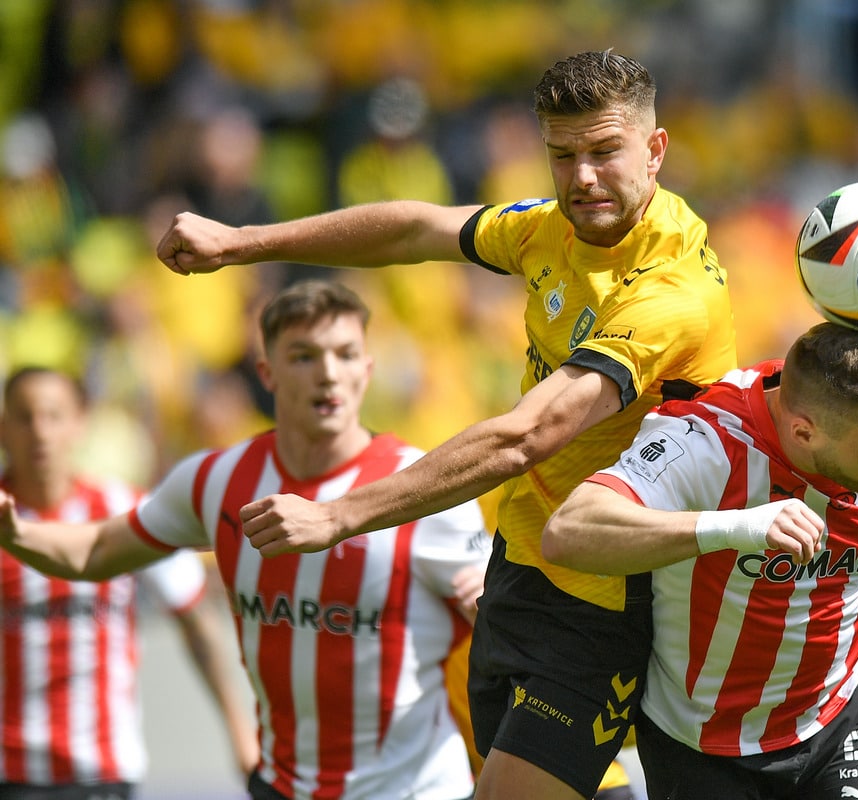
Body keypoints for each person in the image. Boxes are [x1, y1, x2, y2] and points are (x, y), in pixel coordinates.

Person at [155, 49, 738, 800]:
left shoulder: (670, 292)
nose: (583, 178)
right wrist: (242, 242)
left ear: (655, 150)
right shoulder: (550, 229)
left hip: (615, 593)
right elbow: (413, 231)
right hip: (523, 562)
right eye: (563, 156)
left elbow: (525, 436)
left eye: (604, 152)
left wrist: (339, 515)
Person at [0, 280, 493, 800]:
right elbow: (96, 550)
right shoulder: (218, 481)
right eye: (304, 356)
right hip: (281, 787)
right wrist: (17, 532)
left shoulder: (423, 490)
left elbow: (504, 624)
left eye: (346, 354)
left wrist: (490, 613)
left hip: (414, 791)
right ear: (266, 373)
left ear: (367, 370)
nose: (329, 373)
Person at [542, 322, 858, 800]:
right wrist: (732, 528)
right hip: (705, 740)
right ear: (804, 433)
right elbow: (567, 532)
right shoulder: (707, 445)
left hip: (839, 711)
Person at [0, 365, 258, 799]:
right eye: (25, 417)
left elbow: (195, 617)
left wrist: (238, 728)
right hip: (10, 771)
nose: (40, 432)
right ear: (3, 428)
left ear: (80, 423)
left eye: (54, 415)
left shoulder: (125, 510)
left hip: (102, 769)